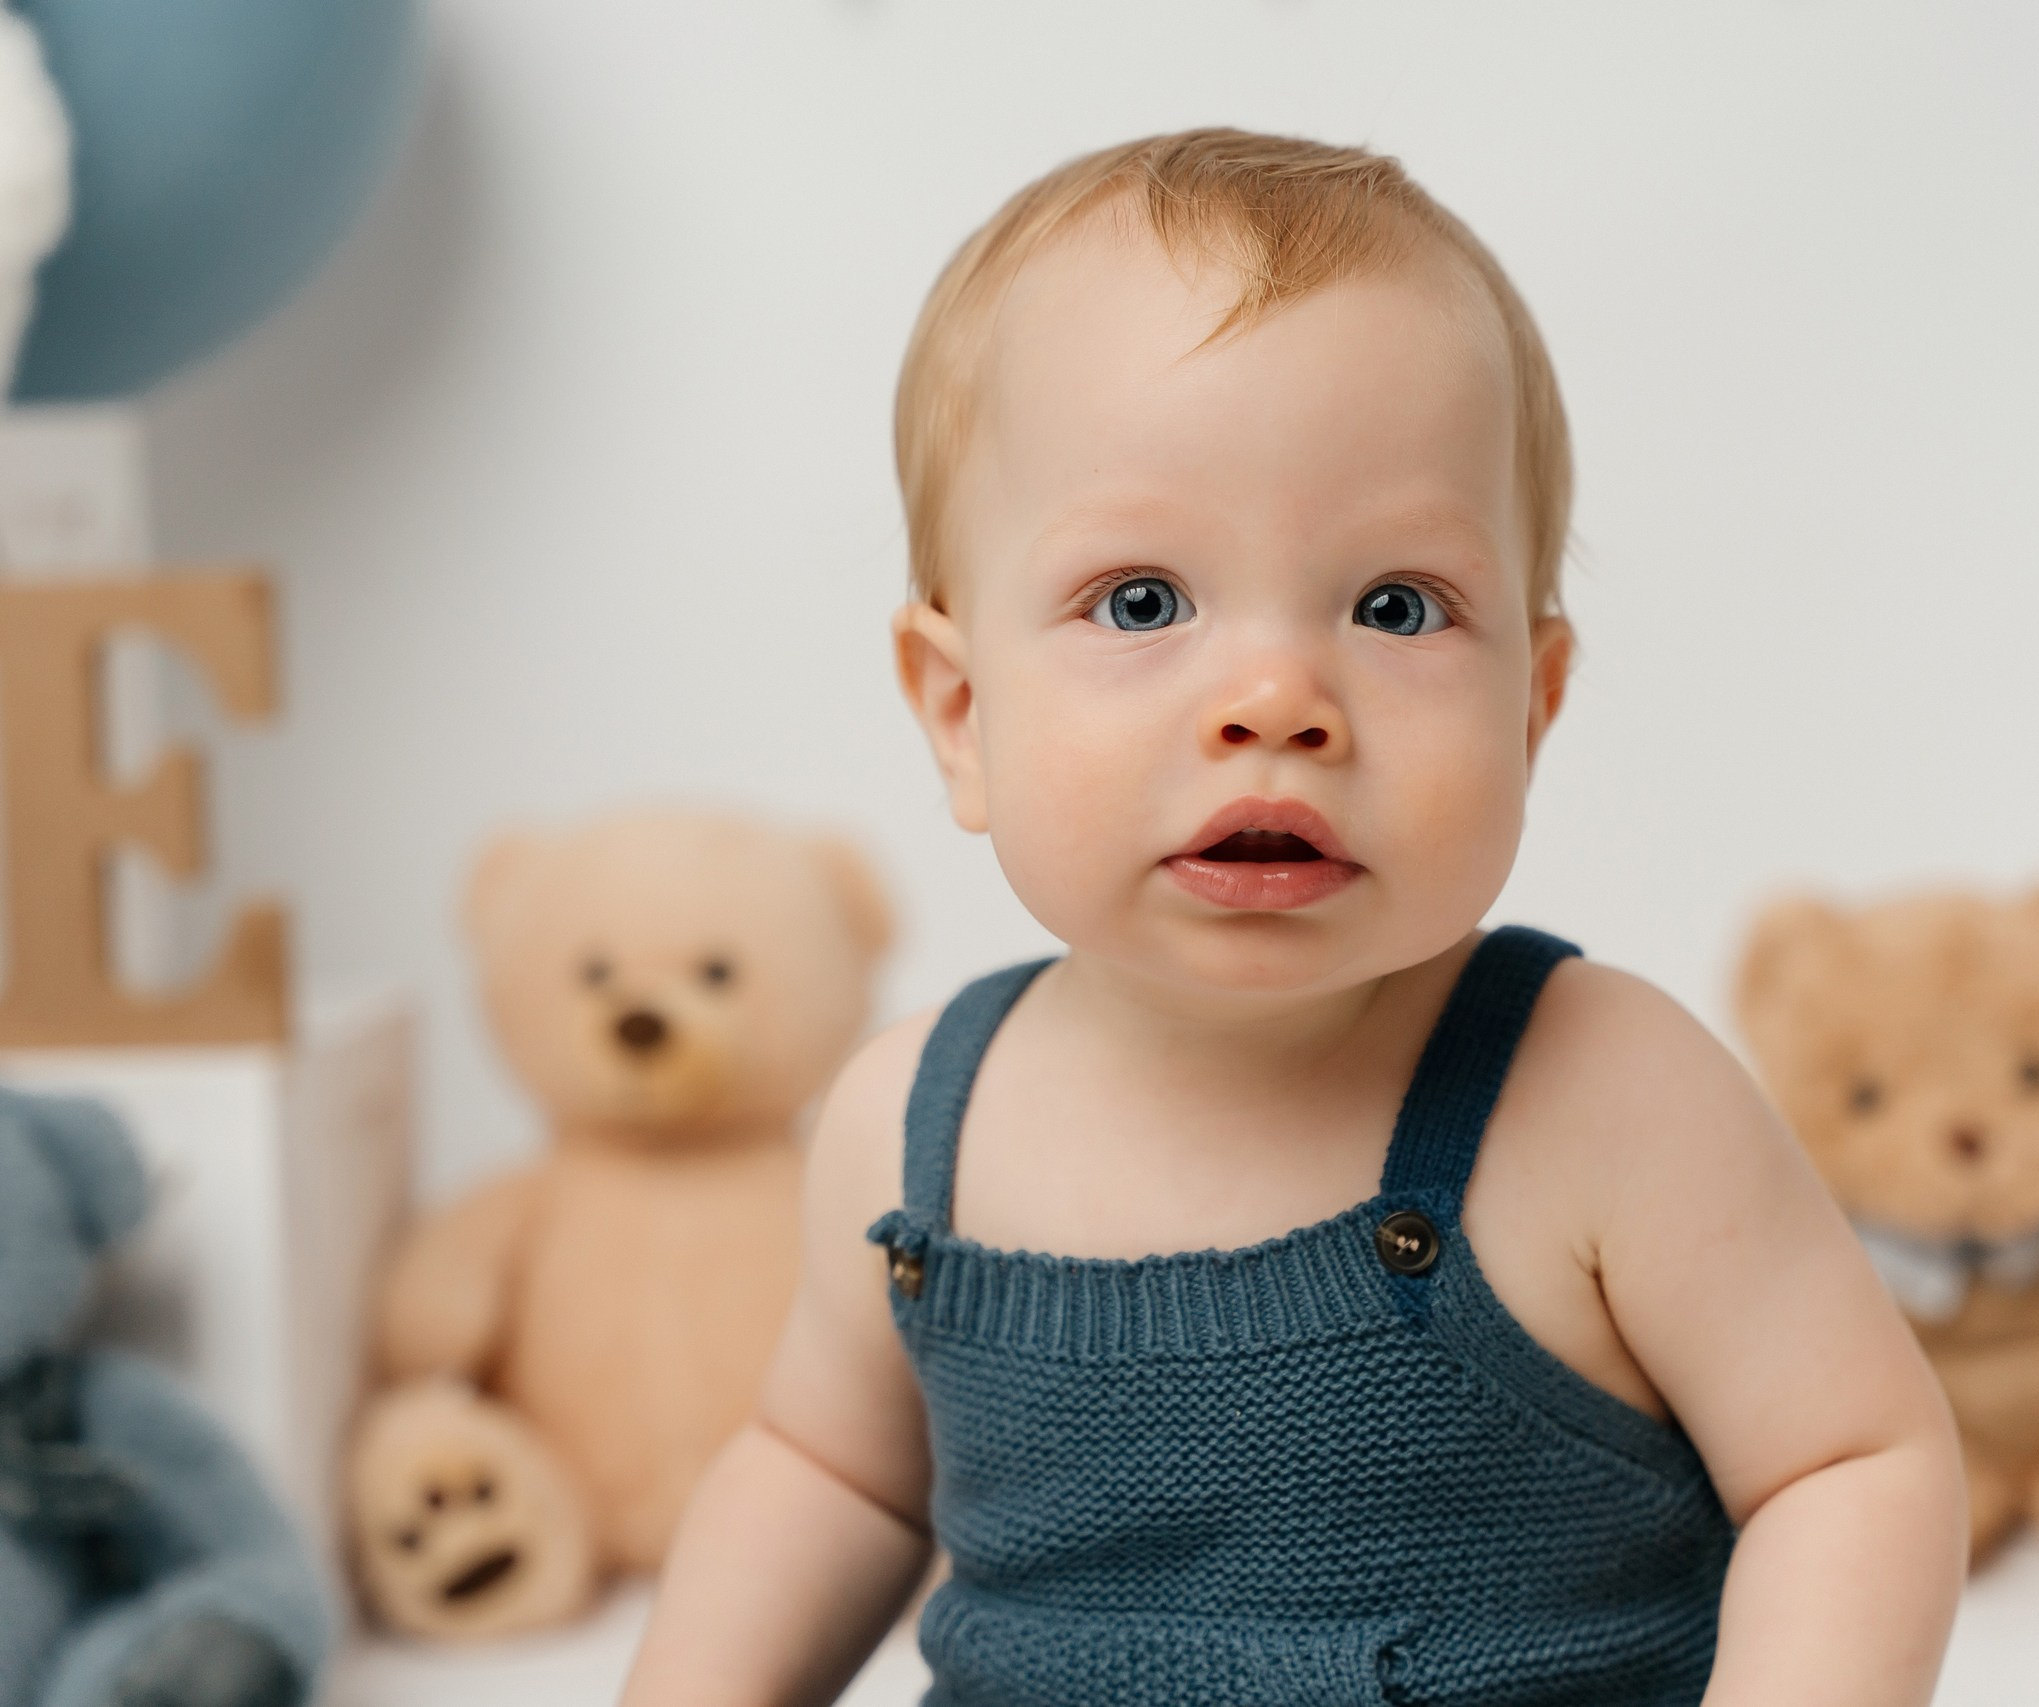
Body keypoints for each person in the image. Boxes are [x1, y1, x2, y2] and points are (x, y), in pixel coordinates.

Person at [624, 128, 1965, 1707]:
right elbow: (827, 1477)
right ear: (960, 710)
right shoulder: (910, 1125)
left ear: (1533, 709)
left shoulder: (1603, 1096)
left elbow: (1852, 1466)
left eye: (1395, 606)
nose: (1277, 700)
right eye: (1142, 603)